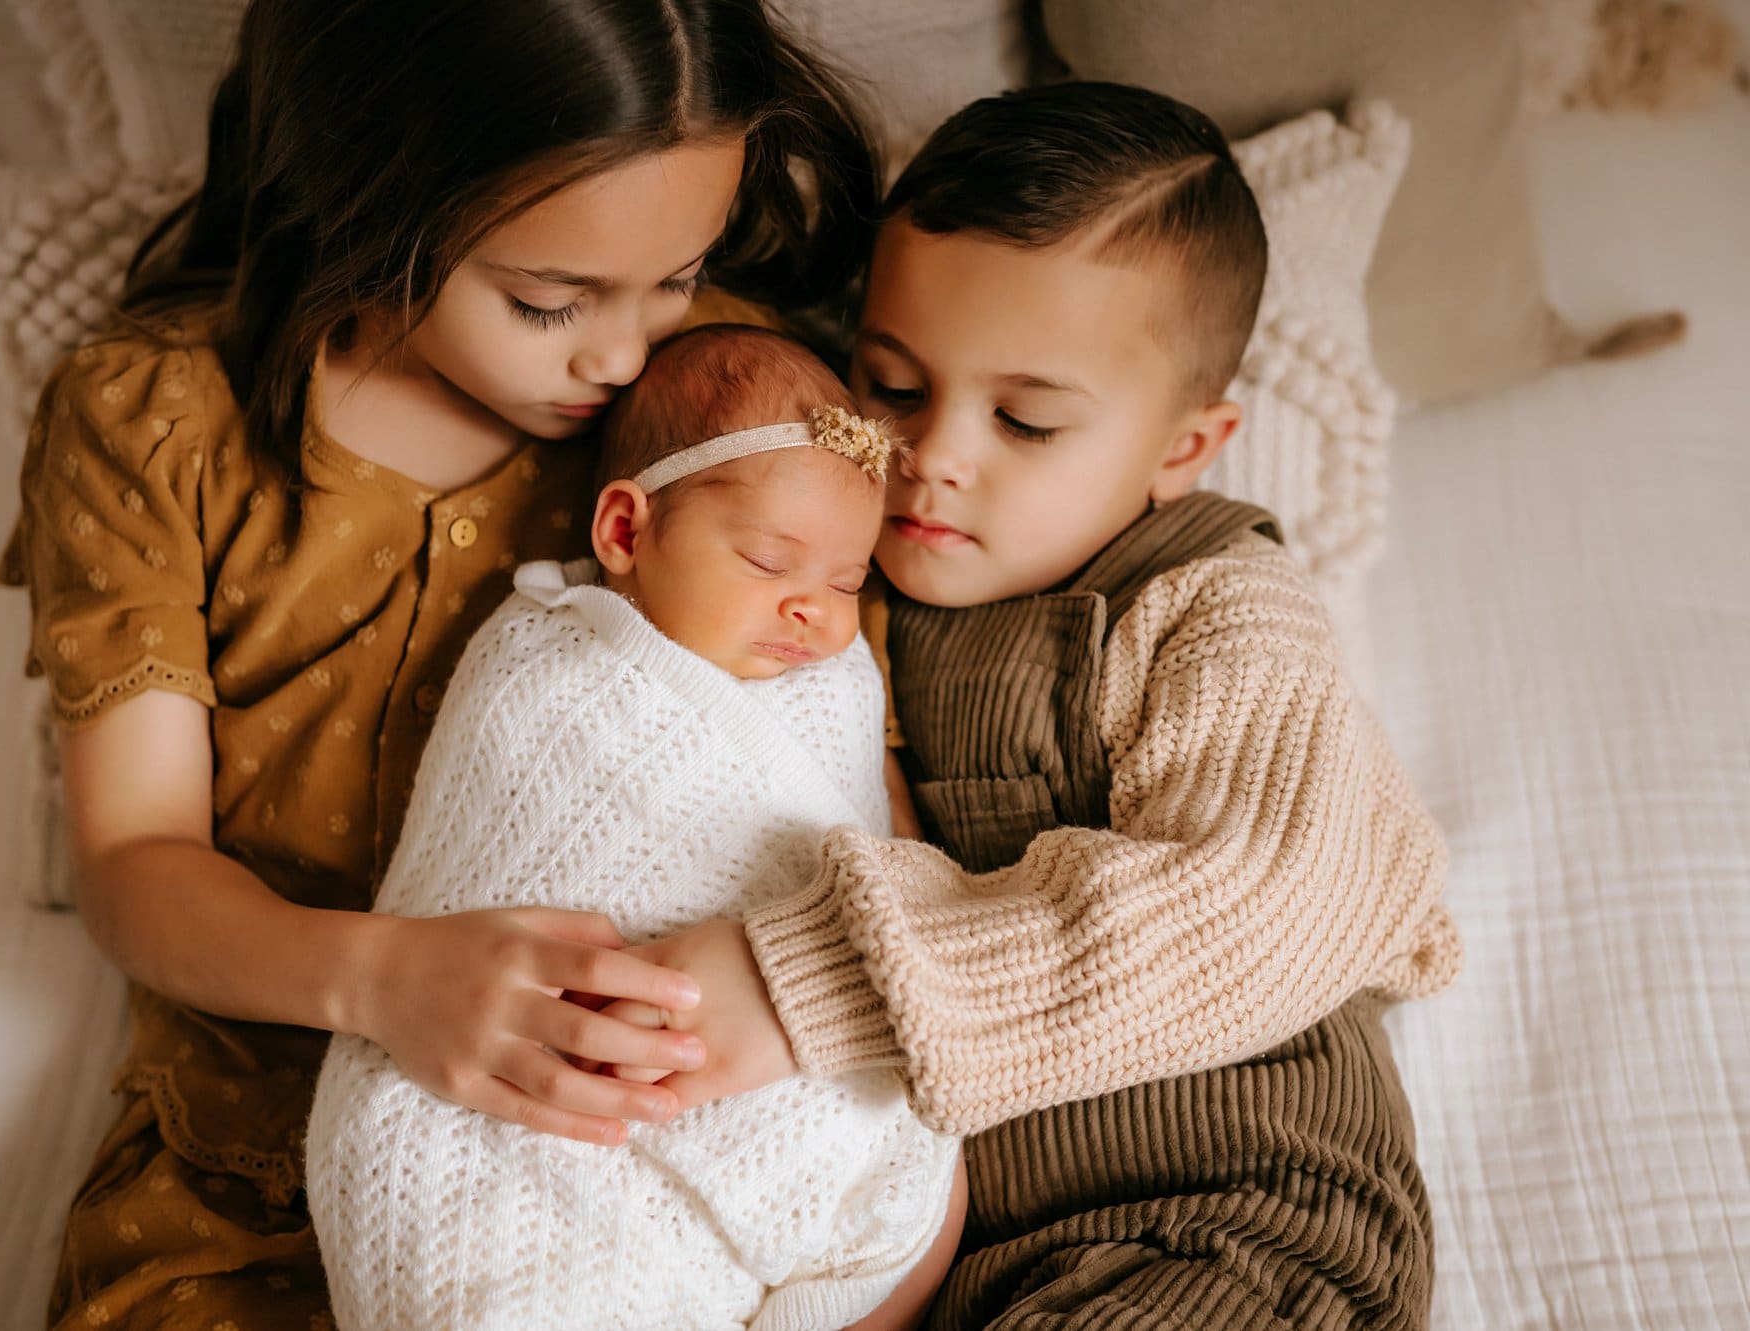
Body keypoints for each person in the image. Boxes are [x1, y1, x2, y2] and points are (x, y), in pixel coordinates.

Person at [0, 1, 880, 1324]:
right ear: (370, 190)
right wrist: (381, 977)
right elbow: (131, 865)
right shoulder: (159, 423)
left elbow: (847, 775)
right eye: (546, 299)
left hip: (633, 1181)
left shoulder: (729, 410)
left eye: (677, 273)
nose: (624, 351)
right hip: (248, 1167)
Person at [611, 82, 1465, 1329]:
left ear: (1184, 448)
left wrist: (807, 986)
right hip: (953, 1261)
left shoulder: (1210, 605)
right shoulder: (830, 583)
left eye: (1024, 419)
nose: (932, 454)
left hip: (1229, 1221)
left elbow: (1275, 888)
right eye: (892, 388)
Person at [307, 324, 967, 1331]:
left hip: (751, 1052)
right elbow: (485, 854)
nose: (815, 616)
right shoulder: (543, 665)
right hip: (501, 1083)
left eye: (846, 581)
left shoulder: (834, 683)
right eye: (766, 559)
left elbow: (874, 871)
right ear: (625, 531)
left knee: (919, 1164)